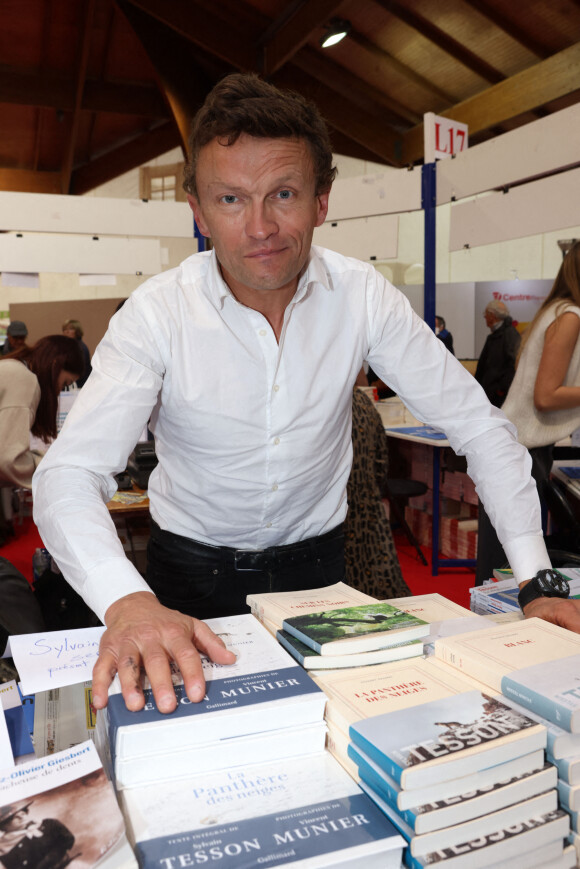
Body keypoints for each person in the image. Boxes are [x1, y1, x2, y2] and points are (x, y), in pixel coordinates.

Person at [32, 73, 580, 718]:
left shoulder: (362, 295)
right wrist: (127, 602)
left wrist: (535, 581)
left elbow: (481, 428)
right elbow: (69, 473)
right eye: (231, 199)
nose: (260, 226)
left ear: (322, 200)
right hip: (189, 575)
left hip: (321, 568)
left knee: (335, 734)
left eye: (283, 193)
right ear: (199, 209)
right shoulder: (158, 313)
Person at [476, 241, 580, 585]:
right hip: (522, 452)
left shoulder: (557, 311)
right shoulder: (570, 317)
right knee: (508, 576)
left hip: (516, 449)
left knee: (501, 572)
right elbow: (546, 397)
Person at [344, 387, 410, 599]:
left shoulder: (323, 404)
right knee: (380, 577)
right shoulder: (363, 402)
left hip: (338, 510)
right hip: (369, 504)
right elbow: (382, 459)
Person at [0, 336, 82, 490]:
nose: (58, 392)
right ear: (55, 365)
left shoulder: (12, 367)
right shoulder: (23, 379)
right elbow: (7, 460)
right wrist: (53, 466)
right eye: (64, 384)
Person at [474, 300, 520, 407]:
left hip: (499, 397)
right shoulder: (495, 335)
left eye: (486, 314)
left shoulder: (509, 335)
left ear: (492, 315)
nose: (485, 317)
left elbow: (513, 364)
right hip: (490, 394)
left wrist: (502, 389)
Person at [61, 319, 92, 387]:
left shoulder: (79, 348)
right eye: (64, 329)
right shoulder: (69, 346)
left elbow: (78, 370)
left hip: (79, 385)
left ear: (77, 331)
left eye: (71, 329)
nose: (67, 331)